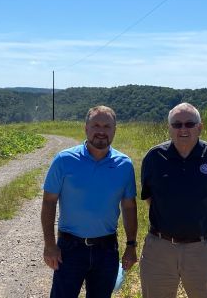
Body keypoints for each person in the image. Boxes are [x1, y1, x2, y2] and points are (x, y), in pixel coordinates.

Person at [139, 102, 207, 298]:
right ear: (169, 128)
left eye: (189, 124)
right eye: (177, 124)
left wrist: (196, 217)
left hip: (201, 248)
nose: (183, 129)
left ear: (199, 127)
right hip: (160, 248)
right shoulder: (155, 157)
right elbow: (149, 198)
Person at [41, 105, 138, 298]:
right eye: (96, 125)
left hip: (107, 249)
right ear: (86, 128)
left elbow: (129, 207)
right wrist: (50, 245)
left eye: (107, 126)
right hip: (70, 248)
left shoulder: (124, 165)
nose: (101, 131)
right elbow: (49, 202)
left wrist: (131, 246)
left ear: (115, 130)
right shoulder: (64, 160)